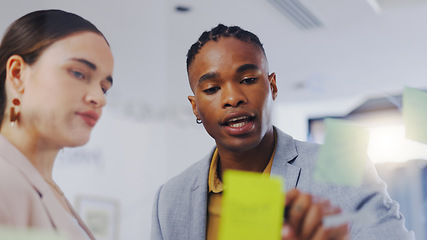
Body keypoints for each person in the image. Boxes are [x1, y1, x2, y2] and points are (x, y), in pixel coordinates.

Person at [151, 24, 413, 240]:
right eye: (211, 89)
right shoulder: (170, 199)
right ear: (195, 107)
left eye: (247, 80)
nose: (232, 98)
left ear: (272, 86)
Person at [0, 9, 114, 239]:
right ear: (17, 74)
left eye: (104, 87)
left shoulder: (49, 189)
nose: (99, 98)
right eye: (79, 73)